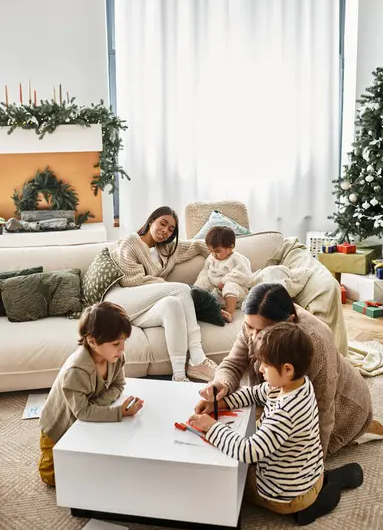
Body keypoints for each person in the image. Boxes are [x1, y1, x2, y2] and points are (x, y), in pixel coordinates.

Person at [189, 323, 364, 525]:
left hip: (284, 494)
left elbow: (248, 451)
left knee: (228, 480)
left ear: (287, 369)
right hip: (306, 471)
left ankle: (310, 506)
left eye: (265, 364)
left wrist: (210, 427)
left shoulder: (285, 412)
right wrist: (222, 402)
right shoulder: (297, 384)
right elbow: (255, 393)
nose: (260, 369)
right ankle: (321, 483)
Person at [195, 283, 383, 458]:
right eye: (248, 328)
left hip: (345, 404)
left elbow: (324, 409)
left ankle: (361, 427)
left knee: (275, 453)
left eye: (260, 332)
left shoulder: (316, 342)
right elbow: (233, 363)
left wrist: (314, 466)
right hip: (282, 392)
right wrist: (221, 385)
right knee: (252, 430)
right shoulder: (255, 324)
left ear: (289, 321)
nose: (253, 337)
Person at [39, 302, 144, 486]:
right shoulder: (77, 370)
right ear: (92, 341)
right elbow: (83, 412)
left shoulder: (116, 358)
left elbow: (119, 385)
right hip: (58, 427)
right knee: (52, 478)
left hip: (81, 415)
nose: (122, 348)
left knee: (89, 465)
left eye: (124, 342)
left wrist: (94, 404)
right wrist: (120, 412)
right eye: (116, 343)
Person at [110, 206, 218, 382]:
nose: (166, 231)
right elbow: (131, 280)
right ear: (151, 220)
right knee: (182, 289)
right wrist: (167, 286)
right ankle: (198, 358)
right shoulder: (131, 242)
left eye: (171, 229)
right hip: (122, 301)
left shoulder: (167, 249)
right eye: (163, 223)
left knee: (172, 305)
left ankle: (180, 376)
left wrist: (227, 258)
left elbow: (197, 246)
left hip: (143, 308)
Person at [193, 226, 252, 323]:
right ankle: (195, 304)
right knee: (203, 281)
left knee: (230, 286)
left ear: (231, 247)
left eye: (217, 251)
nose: (214, 255)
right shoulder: (211, 258)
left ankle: (228, 313)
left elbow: (244, 275)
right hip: (216, 293)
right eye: (211, 251)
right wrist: (199, 284)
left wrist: (224, 281)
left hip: (236, 295)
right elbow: (204, 272)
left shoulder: (237, 259)